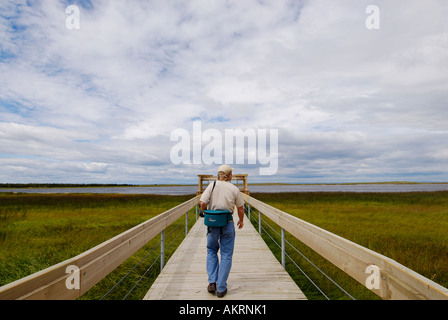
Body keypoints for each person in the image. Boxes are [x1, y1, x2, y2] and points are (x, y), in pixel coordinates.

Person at [199, 164, 245, 298]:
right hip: (228, 222)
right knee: (226, 254)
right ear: (229, 175)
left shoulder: (212, 185)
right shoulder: (234, 189)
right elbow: (240, 208)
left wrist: (205, 212)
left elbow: (202, 202)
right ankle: (221, 288)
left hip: (213, 223)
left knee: (211, 250)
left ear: (219, 175)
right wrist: (241, 221)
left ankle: (212, 282)